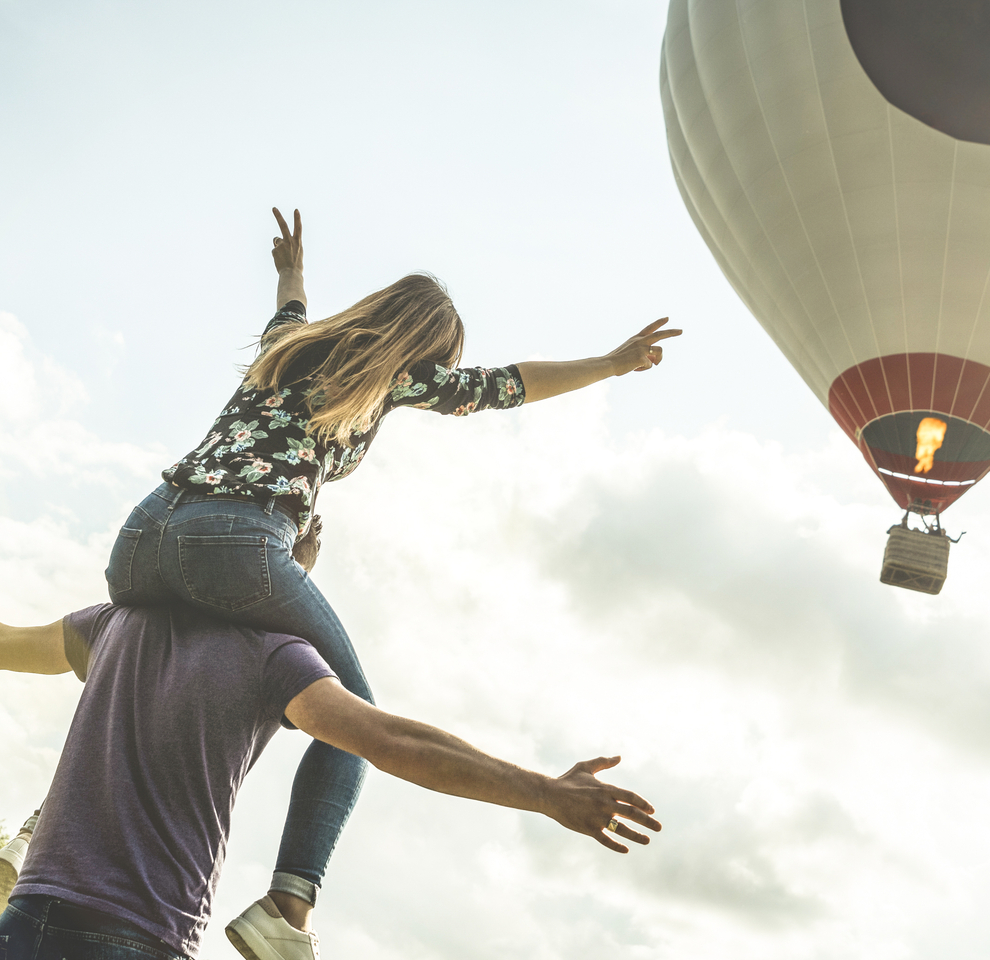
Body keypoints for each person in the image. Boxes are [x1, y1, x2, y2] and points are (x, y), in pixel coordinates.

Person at [103, 208, 681, 925]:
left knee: (140, 669)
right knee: (352, 716)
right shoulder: (399, 375)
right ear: (424, 350)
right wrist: (612, 363)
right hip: (232, 543)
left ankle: (44, 832)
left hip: (140, 538)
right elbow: (507, 385)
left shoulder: (289, 345)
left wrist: (292, 269)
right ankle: (288, 908)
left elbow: (288, 306)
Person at [0, 588, 659, 960]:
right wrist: (546, 792)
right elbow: (385, 738)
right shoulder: (274, 656)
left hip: (29, 924)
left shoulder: (116, 625)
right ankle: (290, 905)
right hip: (136, 936)